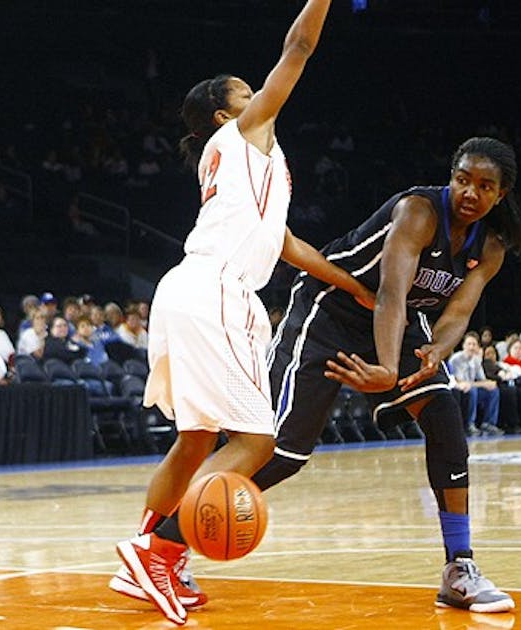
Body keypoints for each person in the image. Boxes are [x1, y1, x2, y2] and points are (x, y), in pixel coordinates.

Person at [111, 2, 374, 624]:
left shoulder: (253, 167)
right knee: (256, 440)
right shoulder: (239, 137)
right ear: (226, 114)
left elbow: (291, 247)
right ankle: (155, 552)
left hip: (188, 289)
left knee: (196, 439)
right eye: (249, 93)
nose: (262, 95)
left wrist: (357, 289)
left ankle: (150, 562)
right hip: (216, 292)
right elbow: (298, 49)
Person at [254, 135, 521, 614]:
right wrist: (385, 364)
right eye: (463, 179)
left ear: (500, 194)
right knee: (282, 452)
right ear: (451, 177)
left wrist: (434, 353)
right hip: (330, 311)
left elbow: (458, 313)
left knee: (445, 419)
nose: (470, 192)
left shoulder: (492, 246)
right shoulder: (419, 212)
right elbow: (390, 295)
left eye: (484, 186)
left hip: (399, 324)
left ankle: (458, 568)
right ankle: (168, 538)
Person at [448, 331, 502, 436]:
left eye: (474, 344)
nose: (471, 347)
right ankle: (470, 424)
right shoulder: (456, 359)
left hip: (471, 386)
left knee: (493, 390)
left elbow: (481, 379)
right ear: (463, 345)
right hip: (459, 388)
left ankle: (488, 423)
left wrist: (489, 383)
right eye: (469, 344)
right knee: (472, 390)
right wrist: (482, 384)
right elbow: (460, 381)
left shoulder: (476, 360)